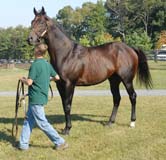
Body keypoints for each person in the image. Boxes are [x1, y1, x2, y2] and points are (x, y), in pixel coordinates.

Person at [18, 44, 68, 150]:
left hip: (36, 98)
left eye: (34, 49)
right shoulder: (47, 64)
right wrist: (46, 79)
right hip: (38, 97)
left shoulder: (35, 65)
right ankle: (23, 145)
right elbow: (57, 77)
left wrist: (22, 80)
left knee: (42, 123)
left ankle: (60, 142)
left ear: (37, 51)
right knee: (28, 121)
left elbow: (30, 82)